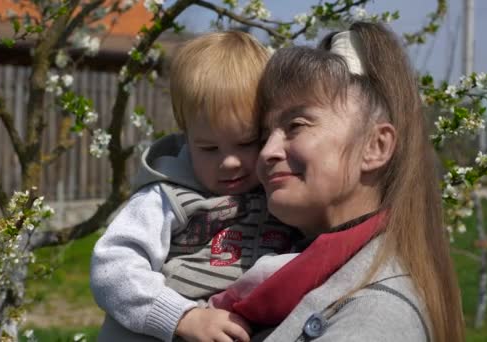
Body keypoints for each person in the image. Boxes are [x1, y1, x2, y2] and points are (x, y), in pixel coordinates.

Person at [219, 22, 464, 341]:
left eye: (296, 125)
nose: (267, 151)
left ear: (375, 147)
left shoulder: (374, 318)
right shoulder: (285, 270)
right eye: (265, 134)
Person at [90, 31, 302, 342]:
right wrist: (182, 317)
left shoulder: (279, 191)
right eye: (208, 148)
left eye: (246, 143)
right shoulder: (166, 197)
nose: (229, 162)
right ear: (186, 136)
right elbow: (112, 267)